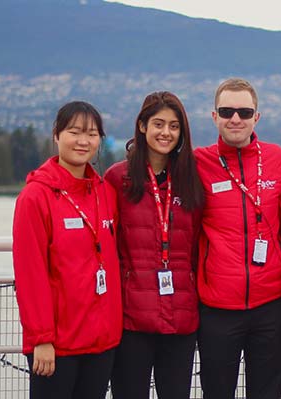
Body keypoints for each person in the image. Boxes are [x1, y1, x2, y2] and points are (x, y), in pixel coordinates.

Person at [194, 77, 281, 399]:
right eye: (226, 111)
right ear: (214, 117)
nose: (235, 118)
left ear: (256, 117)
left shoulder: (277, 159)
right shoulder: (198, 163)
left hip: (270, 305)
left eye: (244, 111)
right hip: (217, 307)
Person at [12, 101, 122, 399]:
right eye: (74, 132)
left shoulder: (105, 193)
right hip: (57, 346)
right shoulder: (35, 197)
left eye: (92, 134)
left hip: (102, 342)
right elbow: (30, 274)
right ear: (56, 135)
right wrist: (41, 339)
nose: (83, 141)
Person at [105, 91, 204, 399]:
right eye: (158, 124)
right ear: (143, 126)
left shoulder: (190, 178)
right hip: (131, 319)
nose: (166, 133)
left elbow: (198, 245)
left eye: (174, 126)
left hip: (181, 317)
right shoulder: (117, 178)